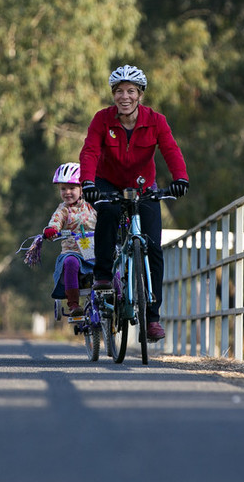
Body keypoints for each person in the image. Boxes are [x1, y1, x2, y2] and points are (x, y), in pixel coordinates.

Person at [79, 64, 189, 342]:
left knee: (153, 246)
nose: (124, 97)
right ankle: (103, 276)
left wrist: (180, 178)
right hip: (107, 181)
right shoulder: (102, 119)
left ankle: (152, 319)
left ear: (140, 95)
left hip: (143, 185)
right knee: (109, 211)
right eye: (119, 91)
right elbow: (90, 150)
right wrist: (88, 183)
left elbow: (170, 149)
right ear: (113, 95)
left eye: (130, 91)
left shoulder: (156, 121)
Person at [41, 162, 98, 317]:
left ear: (81, 189)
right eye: (63, 189)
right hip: (73, 252)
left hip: (96, 252)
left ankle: (118, 299)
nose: (67, 192)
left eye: (72, 188)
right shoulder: (63, 209)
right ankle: (73, 304)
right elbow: (56, 221)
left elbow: (106, 219)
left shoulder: (92, 206)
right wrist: (51, 230)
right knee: (69, 262)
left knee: (114, 263)